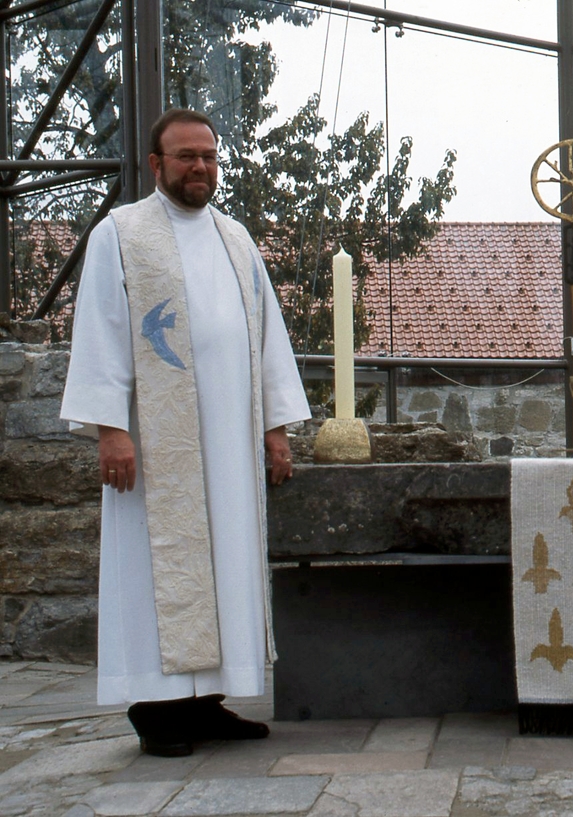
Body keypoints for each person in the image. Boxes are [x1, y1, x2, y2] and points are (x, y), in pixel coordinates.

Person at [60, 109, 311, 757]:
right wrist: (111, 429)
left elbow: (266, 337)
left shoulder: (235, 238)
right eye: (186, 156)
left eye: (209, 156)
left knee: (228, 562)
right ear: (156, 164)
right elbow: (101, 330)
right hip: (156, 445)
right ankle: (155, 707)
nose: (200, 166)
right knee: (156, 567)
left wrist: (275, 428)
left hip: (229, 440)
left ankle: (207, 701)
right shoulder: (121, 233)